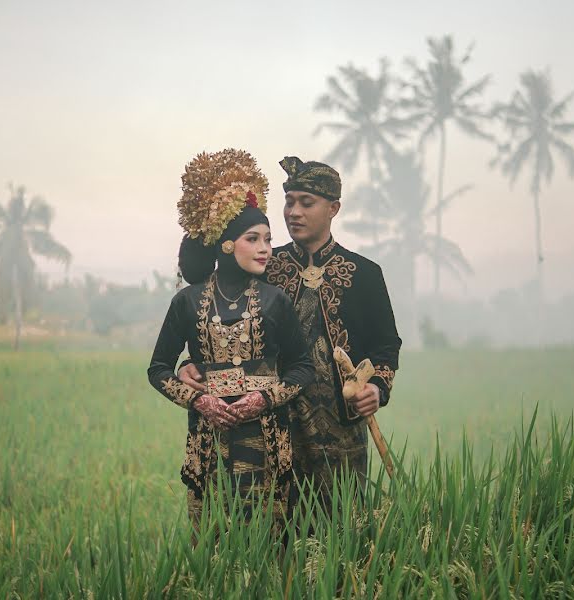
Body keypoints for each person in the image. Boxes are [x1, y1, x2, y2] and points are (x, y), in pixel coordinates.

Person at [180, 155, 401, 514]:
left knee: (339, 535)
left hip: (341, 435)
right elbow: (222, 322)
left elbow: (386, 345)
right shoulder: (265, 266)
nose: (293, 212)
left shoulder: (364, 274)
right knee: (274, 535)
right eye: (289, 201)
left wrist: (377, 386)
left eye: (306, 202)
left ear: (334, 208)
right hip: (271, 427)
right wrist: (193, 362)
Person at [147, 149, 314, 533]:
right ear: (226, 244)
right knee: (212, 541)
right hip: (208, 441)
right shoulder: (186, 302)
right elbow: (158, 369)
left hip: (268, 440)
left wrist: (264, 398)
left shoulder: (276, 300)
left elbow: (303, 368)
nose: (265, 249)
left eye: (269, 240)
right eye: (253, 239)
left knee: (266, 544)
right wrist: (199, 400)